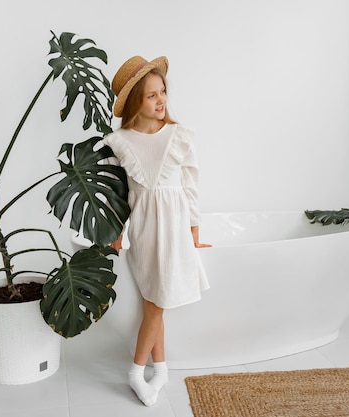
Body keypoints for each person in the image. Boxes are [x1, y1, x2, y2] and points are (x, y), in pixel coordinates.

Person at [103, 55, 211, 406]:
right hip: (144, 231)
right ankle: (150, 370)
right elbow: (112, 193)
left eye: (162, 91)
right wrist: (116, 230)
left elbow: (191, 185)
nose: (161, 100)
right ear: (136, 101)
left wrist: (194, 229)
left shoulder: (178, 136)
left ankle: (147, 370)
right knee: (155, 302)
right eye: (151, 95)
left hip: (175, 227)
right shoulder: (120, 142)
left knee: (156, 303)